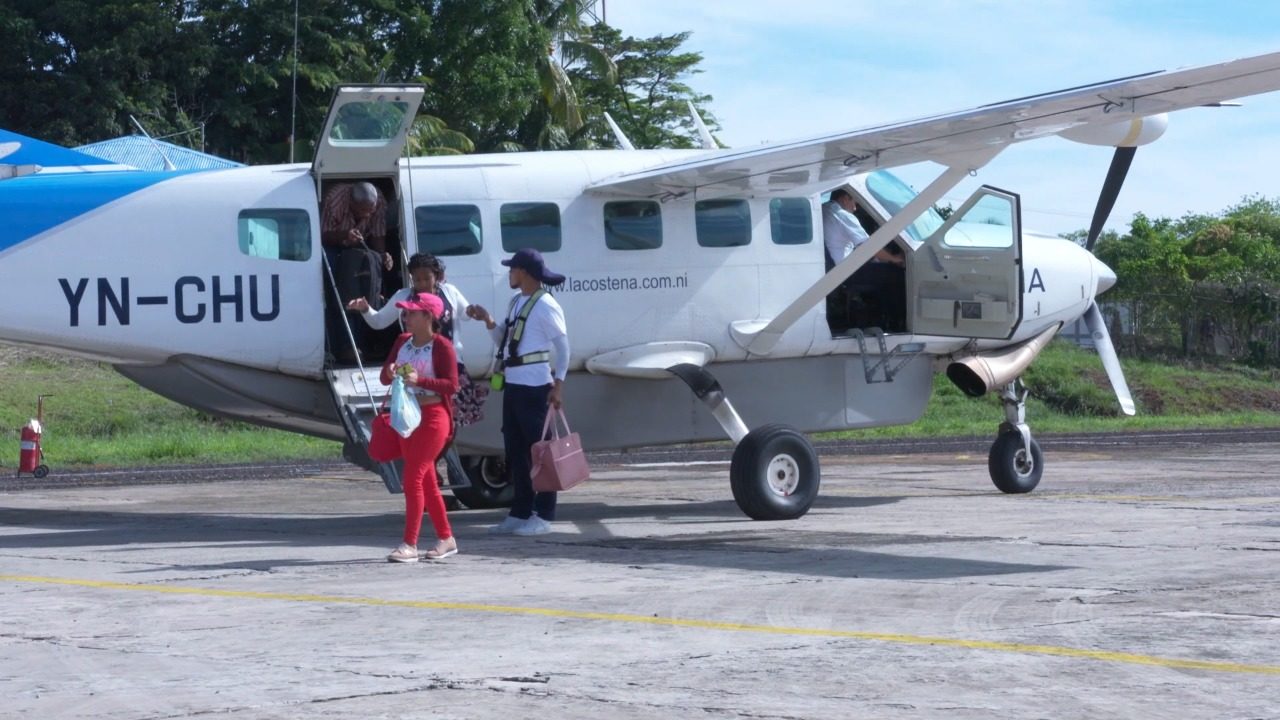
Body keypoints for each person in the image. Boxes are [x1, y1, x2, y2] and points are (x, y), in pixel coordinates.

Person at [350, 252, 489, 482]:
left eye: (427, 278)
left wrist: (475, 313)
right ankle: (427, 471)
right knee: (416, 423)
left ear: (437, 277)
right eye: (417, 279)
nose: (422, 284)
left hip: (450, 367)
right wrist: (366, 309)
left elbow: (464, 314)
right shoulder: (405, 296)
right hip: (415, 369)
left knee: (449, 428)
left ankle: (429, 466)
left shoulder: (450, 293)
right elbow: (379, 322)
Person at [466, 248, 569, 537]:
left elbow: (564, 347)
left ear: (523, 272)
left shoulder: (546, 304)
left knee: (541, 452)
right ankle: (521, 511)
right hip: (513, 383)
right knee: (516, 452)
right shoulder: (516, 302)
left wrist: (558, 384)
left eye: (512, 269)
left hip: (536, 386)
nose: (509, 273)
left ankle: (545, 514)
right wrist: (488, 321)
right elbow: (505, 339)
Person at [379, 293, 459, 563]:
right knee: (425, 481)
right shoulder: (402, 341)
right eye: (406, 312)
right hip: (406, 416)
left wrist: (421, 380)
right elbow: (383, 376)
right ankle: (446, 538)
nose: (406, 317)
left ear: (429, 317)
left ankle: (409, 544)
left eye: (412, 312)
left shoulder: (442, 346)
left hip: (434, 416)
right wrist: (390, 371)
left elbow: (452, 385)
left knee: (412, 476)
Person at [322, 182, 393, 364]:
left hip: (361, 247)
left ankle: (372, 343)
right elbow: (323, 234)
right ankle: (345, 346)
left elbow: (377, 234)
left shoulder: (378, 203)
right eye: (363, 211)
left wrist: (382, 257)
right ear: (352, 203)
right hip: (334, 244)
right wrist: (344, 235)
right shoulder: (334, 200)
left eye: (371, 210)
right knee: (338, 289)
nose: (368, 215)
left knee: (372, 284)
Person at [822, 188, 907, 331]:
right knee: (896, 275)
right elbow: (869, 246)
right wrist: (894, 259)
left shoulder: (823, 210)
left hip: (832, 269)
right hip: (846, 271)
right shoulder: (843, 215)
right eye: (854, 202)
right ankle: (894, 325)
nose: (855, 208)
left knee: (878, 267)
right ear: (844, 198)